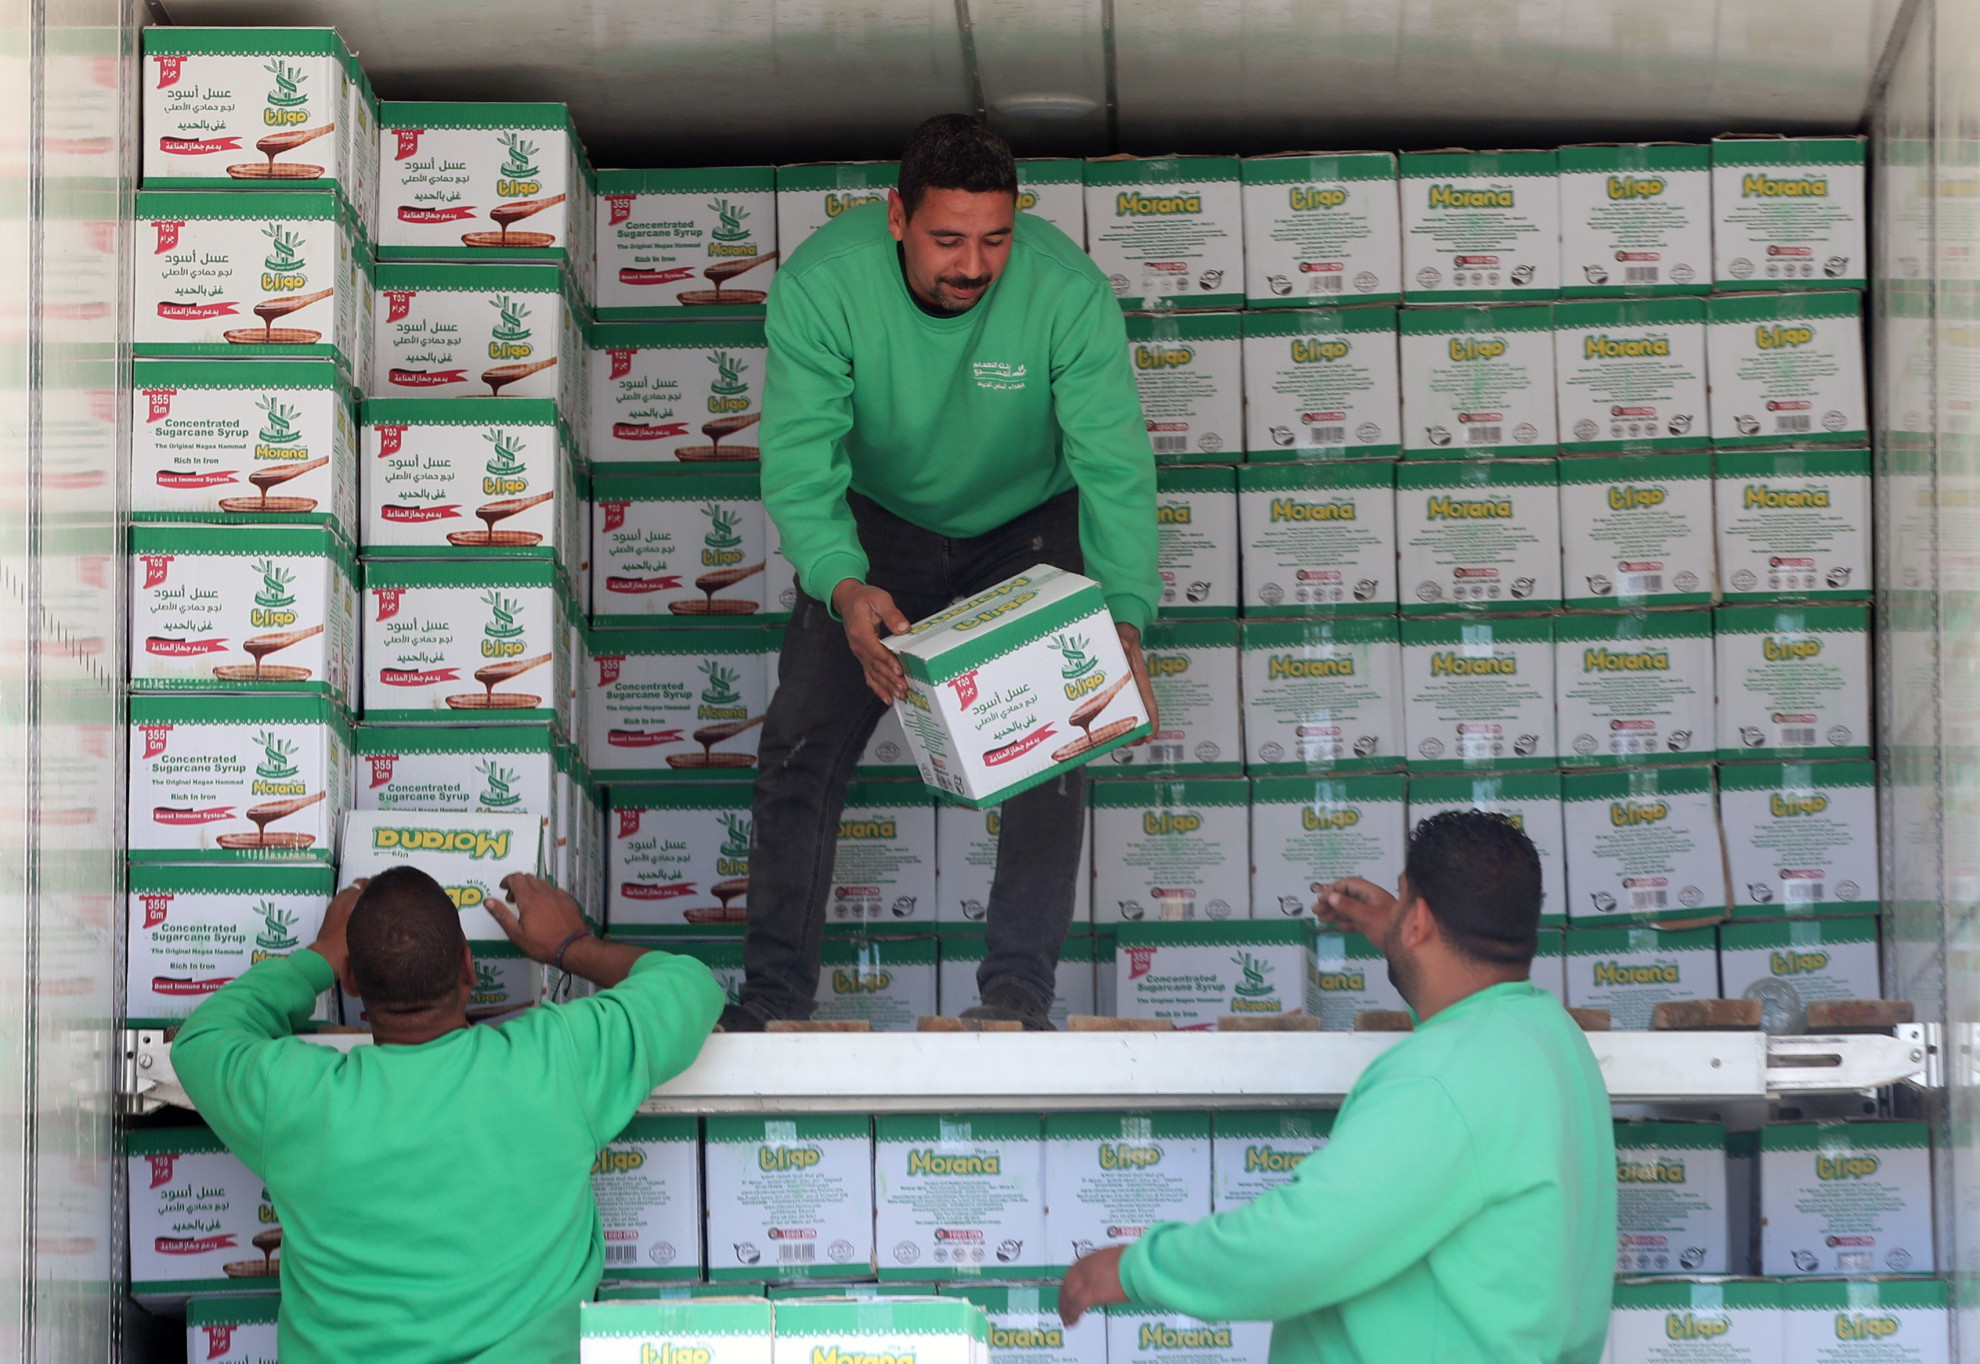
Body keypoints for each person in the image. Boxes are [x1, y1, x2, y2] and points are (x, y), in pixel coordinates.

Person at [731, 113, 1159, 1032]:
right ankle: (771, 1003)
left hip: (1026, 524)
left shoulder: (1067, 292)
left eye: (995, 239)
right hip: (876, 528)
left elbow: (1116, 465)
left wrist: (1123, 617)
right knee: (798, 747)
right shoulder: (823, 283)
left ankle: (1016, 998)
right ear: (896, 216)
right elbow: (800, 460)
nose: (972, 266)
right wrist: (843, 583)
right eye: (947, 240)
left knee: (1059, 734)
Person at [1057, 811, 1617, 1364]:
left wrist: (1135, 1268)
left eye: (1404, 901)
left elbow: (1298, 1247)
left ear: (1420, 922)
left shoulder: (1441, 1079)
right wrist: (1402, 934)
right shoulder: (1550, 1040)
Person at [172, 867, 725, 1363]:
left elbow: (203, 1038)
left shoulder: (294, 1096)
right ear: (468, 966)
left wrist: (321, 954)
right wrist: (569, 945)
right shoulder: (557, 1064)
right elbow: (691, 985)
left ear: (351, 980)